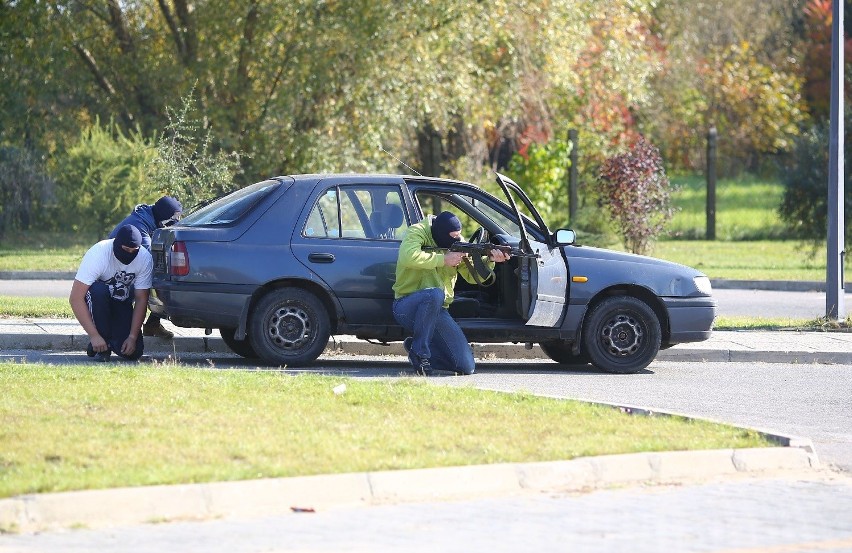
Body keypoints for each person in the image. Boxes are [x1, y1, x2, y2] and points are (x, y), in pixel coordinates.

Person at [392, 211, 510, 376]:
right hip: (406, 306)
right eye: (452, 236)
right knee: (435, 294)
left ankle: (417, 346)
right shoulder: (417, 232)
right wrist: (443, 260)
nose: (457, 240)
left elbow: (471, 277)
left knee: (466, 366)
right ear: (440, 234)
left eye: (458, 236)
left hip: (437, 310)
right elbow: (407, 256)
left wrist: (490, 260)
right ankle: (420, 354)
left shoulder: (458, 243)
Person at [69, 224, 153, 362]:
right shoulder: (99, 253)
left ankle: (107, 341)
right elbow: (76, 298)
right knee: (99, 291)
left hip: (122, 301)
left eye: (134, 250)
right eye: (126, 249)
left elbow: (141, 299)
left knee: (133, 352)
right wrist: (93, 335)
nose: (129, 254)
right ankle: (102, 344)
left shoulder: (144, 258)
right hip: (98, 300)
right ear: (117, 244)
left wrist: (132, 337)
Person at [108, 195, 182, 338]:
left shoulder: (149, 218)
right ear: (164, 216)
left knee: (161, 280)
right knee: (162, 284)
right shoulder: (139, 226)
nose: (175, 221)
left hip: (129, 265)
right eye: (173, 218)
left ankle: (152, 325)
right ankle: (132, 327)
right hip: (116, 271)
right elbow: (151, 256)